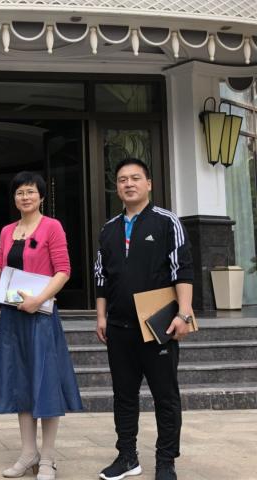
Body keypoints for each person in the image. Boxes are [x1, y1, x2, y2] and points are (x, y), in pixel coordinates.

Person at [94, 158, 194, 480]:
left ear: (149, 184)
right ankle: (127, 457)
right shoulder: (108, 229)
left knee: (166, 396)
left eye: (135, 178)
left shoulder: (166, 221)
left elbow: (182, 270)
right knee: (124, 396)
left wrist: (184, 314)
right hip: (119, 327)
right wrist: (101, 316)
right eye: (122, 179)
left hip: (158, 325)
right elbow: (101, 276)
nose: (129, 183)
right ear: (117, 187)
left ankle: (166, 461)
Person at [0, 171, 83, 480]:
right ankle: (28, 453)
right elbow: (2, 275)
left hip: (41, 316)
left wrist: (38, 299)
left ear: (41, 196)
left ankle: (48, 458)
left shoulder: (52, 227)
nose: (25, 197)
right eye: (19, 192)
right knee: (22, 383)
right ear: (14, 198)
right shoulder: (7, 232)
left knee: (46, 383)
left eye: (30, 191)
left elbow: (64, 270)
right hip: (13, 318)